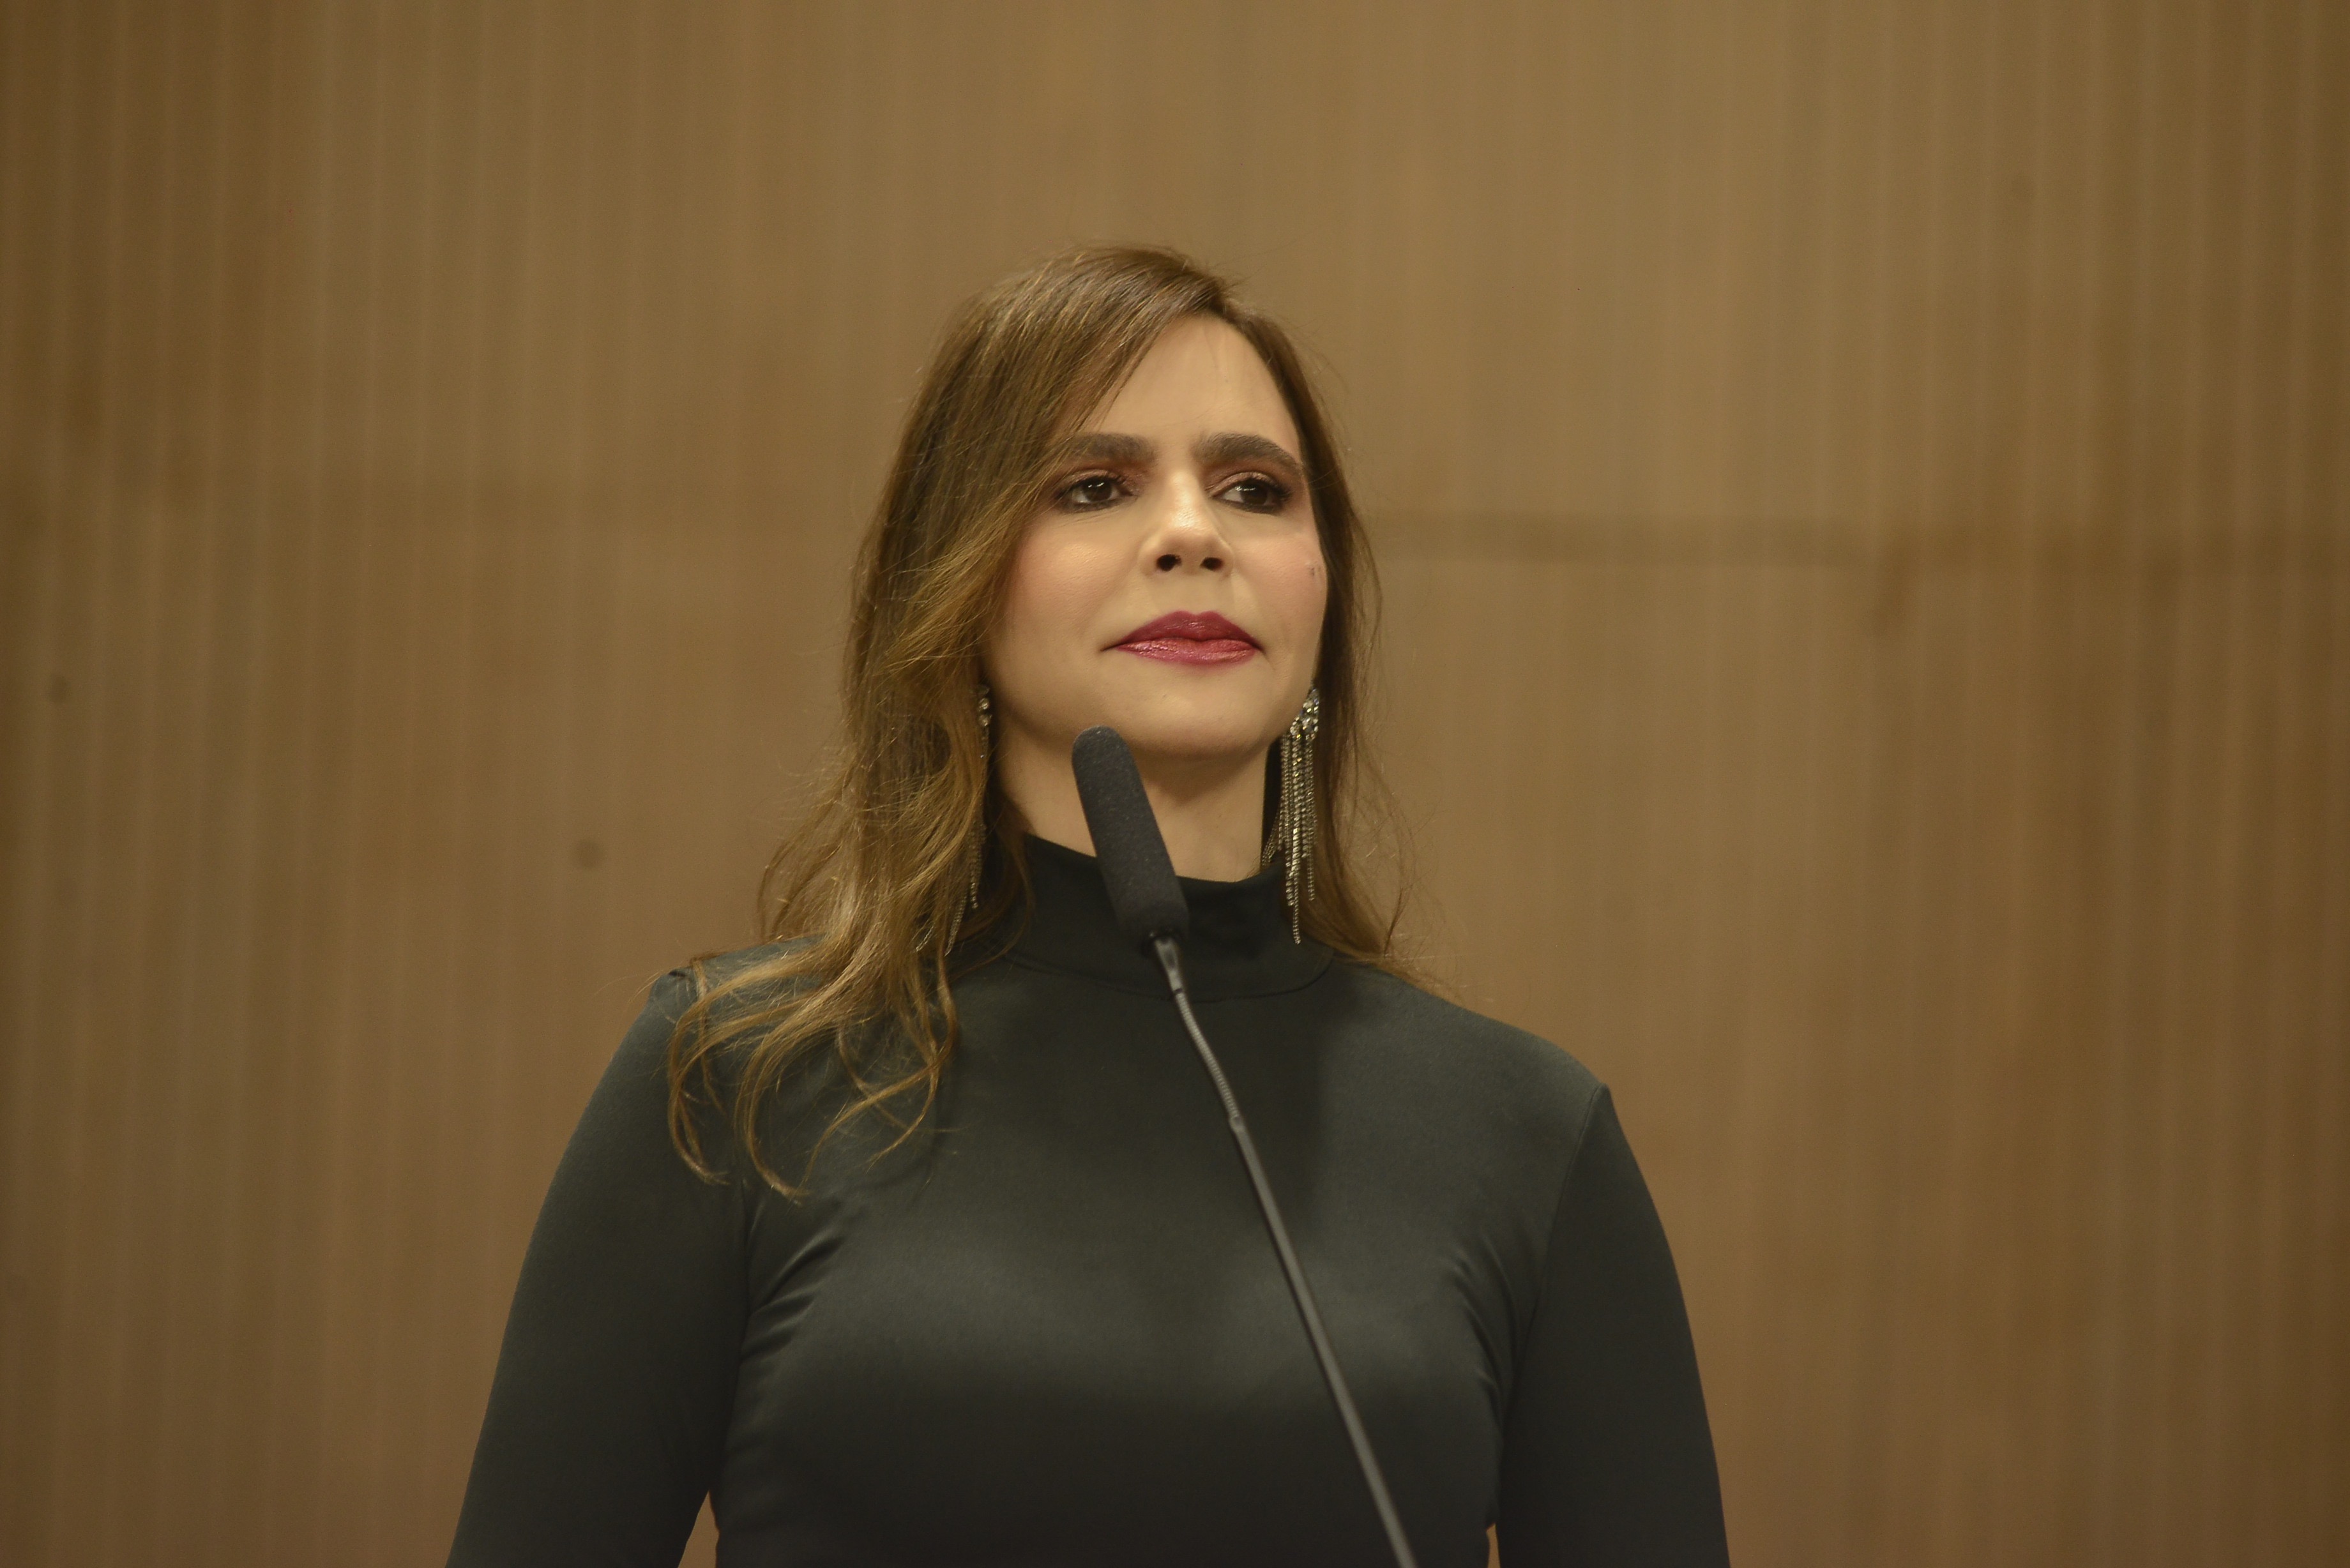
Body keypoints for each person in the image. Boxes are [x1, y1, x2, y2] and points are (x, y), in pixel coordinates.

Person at [447, 246, 1729, 1567]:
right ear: (959, 583)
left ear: (1322, 591)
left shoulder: (1525, 1137)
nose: (1193, 533)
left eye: (1254, 489)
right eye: (1096, 486)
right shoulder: (740, 1078)